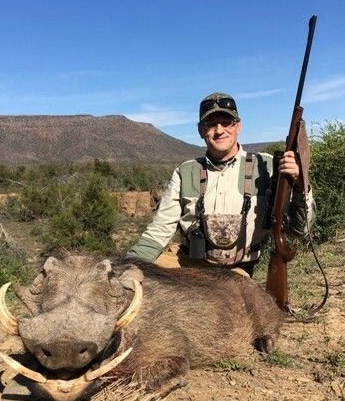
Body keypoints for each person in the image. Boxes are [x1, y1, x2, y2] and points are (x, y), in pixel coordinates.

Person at [127, 92, 315, 276]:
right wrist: (126, 265)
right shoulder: (185, 172)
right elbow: (159, 230)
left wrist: (299, 184)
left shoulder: (269, 167)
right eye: (211, 124)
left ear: (237, 126)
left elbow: (300, 229)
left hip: (241, 272)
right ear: (201, 130)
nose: (219, 130)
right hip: (192, 267)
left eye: (226, 122)